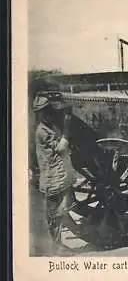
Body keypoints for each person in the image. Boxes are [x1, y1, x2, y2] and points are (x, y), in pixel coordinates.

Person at [33, 96, 77, 251]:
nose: (46, 114)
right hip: (52, 179)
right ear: (38, 114)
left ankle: (57, 246)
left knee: (60, 211)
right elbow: (60, 148)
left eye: (47, 111)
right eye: (42, 112)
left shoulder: (48, 126)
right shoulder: (42, 131)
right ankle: (56, 248)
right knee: (55, 214)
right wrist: (67, 128)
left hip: (58, 177)